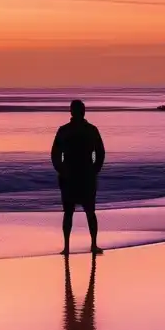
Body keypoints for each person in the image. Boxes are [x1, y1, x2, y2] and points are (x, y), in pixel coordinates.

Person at [51, 99, 105, 255]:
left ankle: (71, 247)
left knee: (76, 212)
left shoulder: (70, 130)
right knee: (84, 212)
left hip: (77, 175)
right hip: (79, 175)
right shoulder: (88, 130)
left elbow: (55, 154)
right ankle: (88, 245)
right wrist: (94, 169)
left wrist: (62, 169)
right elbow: (55, 154)